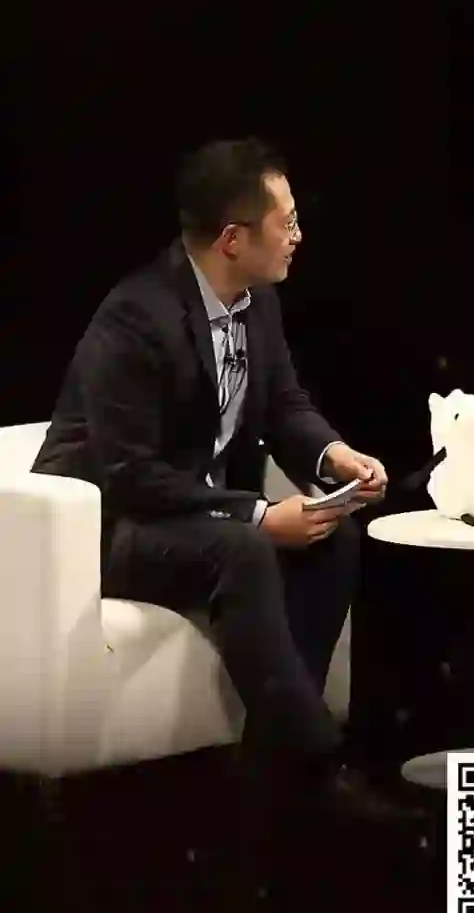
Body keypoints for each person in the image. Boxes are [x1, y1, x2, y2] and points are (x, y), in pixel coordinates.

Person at [33, 137, 420, 829]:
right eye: (286, 222)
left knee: (332, 539)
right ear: (234, 238)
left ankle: (270, 764)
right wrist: (258, 514)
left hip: (190, 518)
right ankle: (316, 764)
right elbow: (131, 476)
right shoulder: (135, 318)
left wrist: (334, 455)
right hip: (107, 531)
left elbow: (283, 405)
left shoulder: (254, 302)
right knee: (243, 547)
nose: (299, 236)